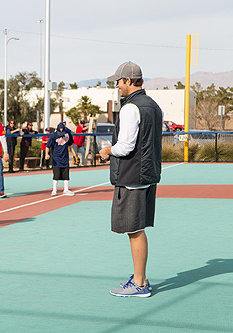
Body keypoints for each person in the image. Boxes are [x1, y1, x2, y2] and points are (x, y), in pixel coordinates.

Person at [99, 61, 163, 298]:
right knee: (137, 228)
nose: (116, 85)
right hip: (148, 175)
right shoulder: (154, 106)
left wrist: (107, 151)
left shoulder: (130, 107)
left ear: (128, 81)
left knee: (134, 230)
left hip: (132, 176)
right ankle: (141, 278)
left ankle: (139, 283)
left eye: (119, 80)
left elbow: (125, 146)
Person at [45, 122, 75, 196]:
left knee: (66, 174)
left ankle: (66, 189)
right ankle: (54, 190)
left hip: (65, 157)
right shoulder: (53, 136)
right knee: (56, 174)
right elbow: (48, 146)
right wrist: (46, 154)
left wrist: (75, 155)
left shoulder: (68, 134)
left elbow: (71, 145)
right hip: (56, 158)